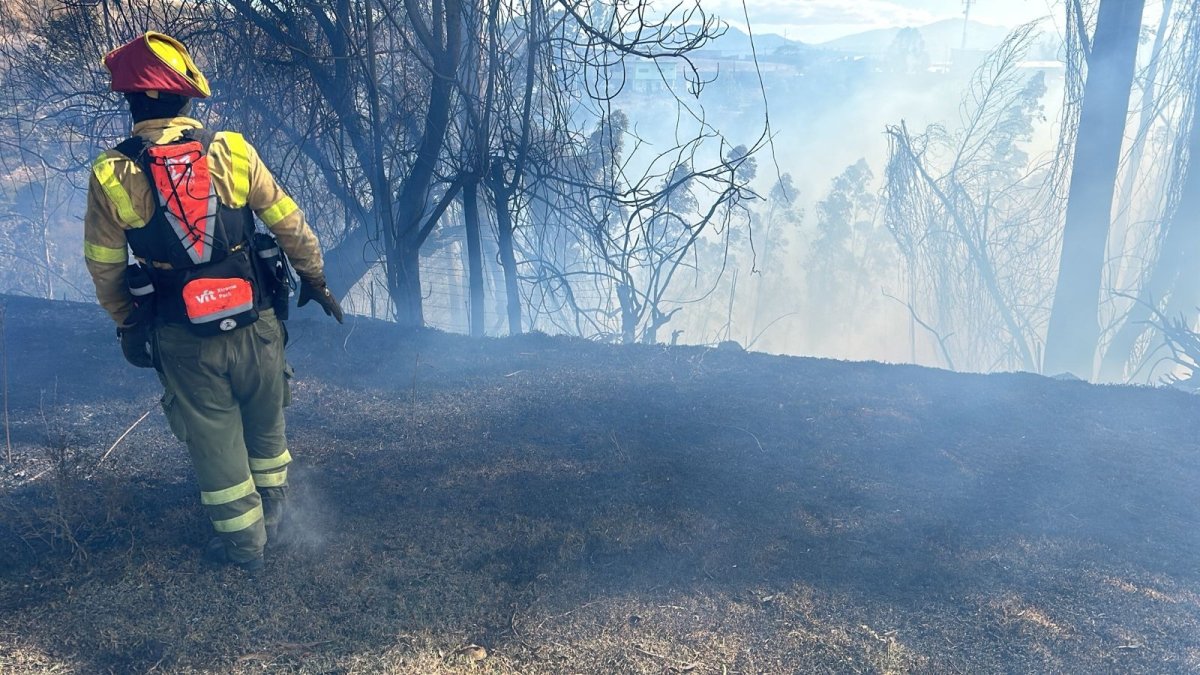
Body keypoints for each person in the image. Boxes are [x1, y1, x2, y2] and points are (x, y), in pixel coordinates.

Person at [83, 32, 343, 572]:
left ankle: (246, 549)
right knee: (267, 430)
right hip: (257, 324)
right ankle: (276, 521)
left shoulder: (111, 174)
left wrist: (129, 324)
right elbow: (291, 227)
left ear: (132, 102)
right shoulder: (234, 149)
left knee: (215, 442)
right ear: (185, 97)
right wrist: (315, 280)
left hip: (184, 340)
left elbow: (105, 266)